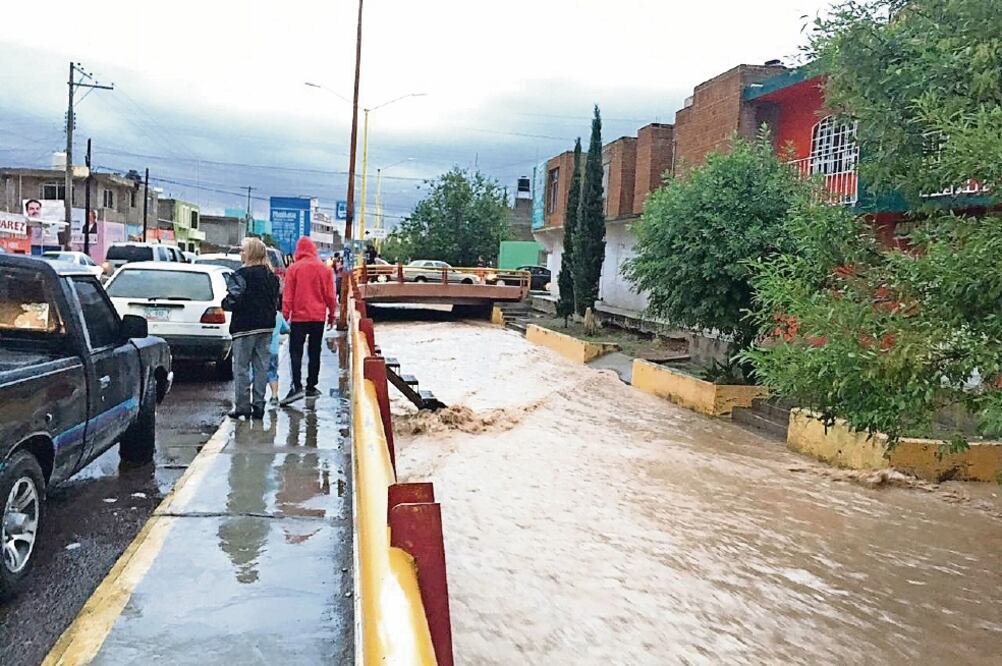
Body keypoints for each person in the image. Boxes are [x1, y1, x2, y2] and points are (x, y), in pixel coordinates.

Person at [223, 237, 280, 419]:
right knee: (261, 367)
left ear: (251, 253)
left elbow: (233, 299)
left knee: (241, 368)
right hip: (266, 328)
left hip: (244, 327)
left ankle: (242, 406)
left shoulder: (241, 275)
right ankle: (259, 405)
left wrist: (225, 303)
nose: (241, 253)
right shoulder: (272, 277)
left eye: (243, 250)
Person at [281, 236, 336, 405]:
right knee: (315, 351)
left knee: (295, 352)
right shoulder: (325, 270)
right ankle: (311, 385)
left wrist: (284, 316)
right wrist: (332, 314)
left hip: (298, 318)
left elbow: (287, 296)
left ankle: (296, 386)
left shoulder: (293, 269)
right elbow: (330, 296)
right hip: (318, 317)